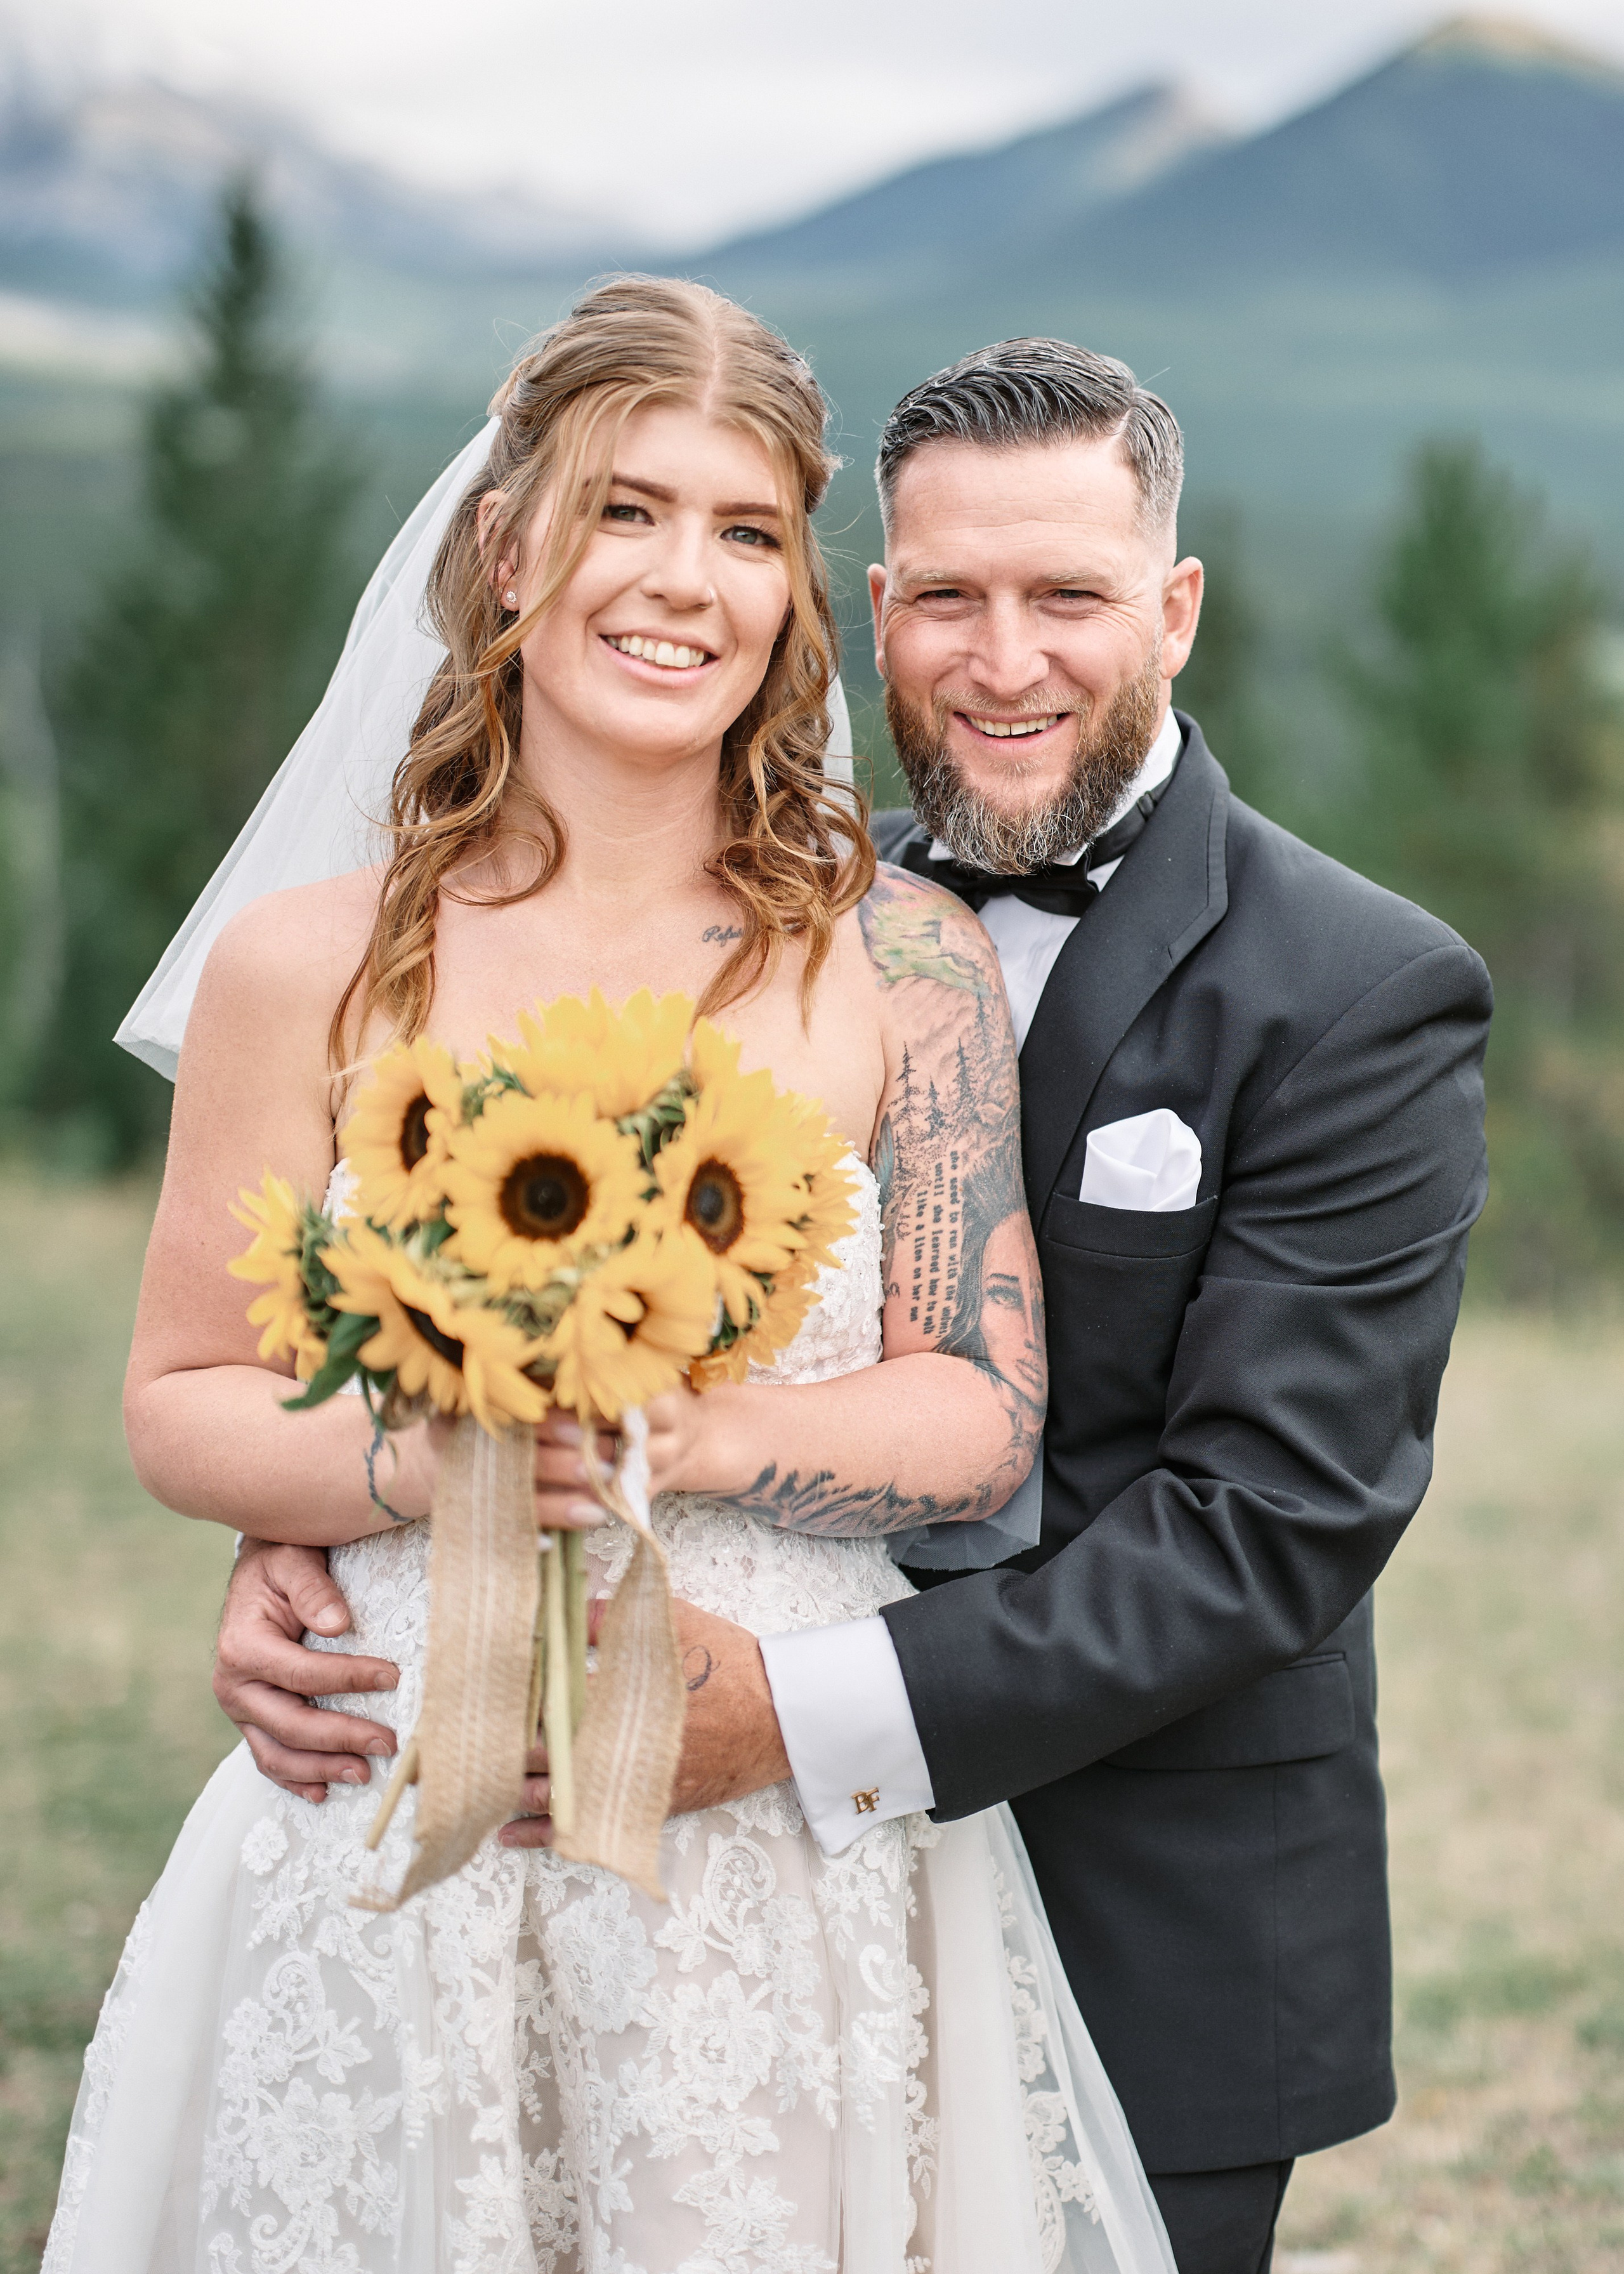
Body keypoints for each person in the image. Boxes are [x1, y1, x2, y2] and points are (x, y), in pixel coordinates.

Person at [219, 337, 1493, 2274]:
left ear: (1177, 605)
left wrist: (797, 1719)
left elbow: (1274, 1525)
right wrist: (315, 1521)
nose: (1004, 661)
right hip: (656, 1866)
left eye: (1068, 597)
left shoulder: (1360, 987)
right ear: (872, 611)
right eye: (948, 599)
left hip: (1148, 1900)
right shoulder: (788, 921)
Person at [46, 284, 1177, 2274]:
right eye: (625, 513)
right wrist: (424, 1465)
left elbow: (980, 1407)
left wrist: (693, 1427)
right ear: (505, 551)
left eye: (746, 534)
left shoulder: (895, 963)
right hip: (388, 1782)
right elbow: (181, 1395)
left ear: (796, 600)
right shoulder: (310, 965)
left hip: (761, 1814)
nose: (685, 583)